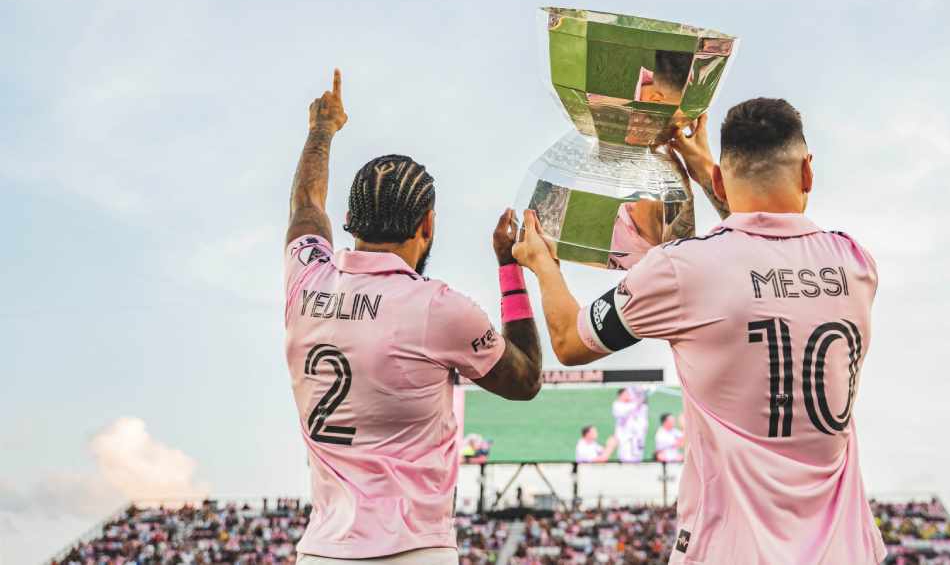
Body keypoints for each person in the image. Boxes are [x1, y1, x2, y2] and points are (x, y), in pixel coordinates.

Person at [513, 98, 886, 564]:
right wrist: (707, 167)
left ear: (721, 181)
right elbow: (764, 251)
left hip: (730, 551)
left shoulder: (683, 269)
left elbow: (570, 341)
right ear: (807, 172)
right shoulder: (855, 263)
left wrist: (542, 263)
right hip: (845, 552)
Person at [284, 69, 543, 564]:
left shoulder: (305, 277)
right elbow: (525, 378)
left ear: (350, 221)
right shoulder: (437, 308)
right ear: (427, 224)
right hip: (415, 550)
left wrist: (322, 130)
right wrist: (510, 265)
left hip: (322, 552)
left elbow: (306, 205)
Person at [611, 386, 652, 462]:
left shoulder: (634, 405)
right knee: (626, 460)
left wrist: (644, 393)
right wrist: (643, 395)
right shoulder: (617, 405)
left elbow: (643, 407)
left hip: (637, 440)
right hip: (625, 440)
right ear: (621, 395)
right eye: (627, 393)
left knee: (638, 460)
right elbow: (635, 405)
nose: (630, 395)